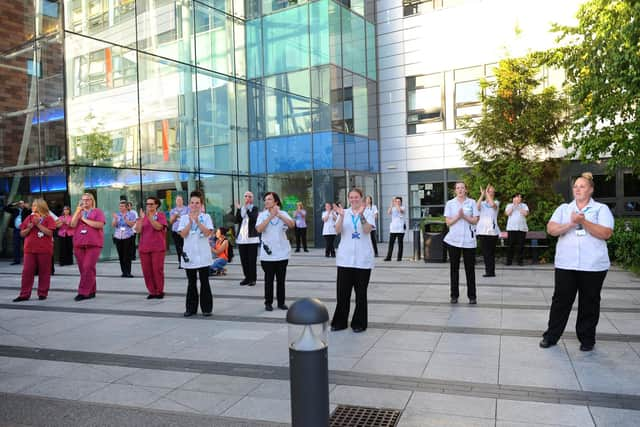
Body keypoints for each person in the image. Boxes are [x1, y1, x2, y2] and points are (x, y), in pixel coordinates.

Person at [540, 172, 614, 352]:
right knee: (560, 301)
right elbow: (552, 229)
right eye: (575, 187)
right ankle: (551, 336)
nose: (578, 189)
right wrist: (572, 223)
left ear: (590, 190)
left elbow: (606, 233)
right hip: (566, 264)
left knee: (589, 302)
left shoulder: (601, 209)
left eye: (582, 186)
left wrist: (584, 221)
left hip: (593, 265)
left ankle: (587, 339)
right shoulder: (564, 209)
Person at [330, 188, 376, 333]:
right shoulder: (344, 212)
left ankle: (359, 322)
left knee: (361, 293)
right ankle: (340, 322)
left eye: (356, 197)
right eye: (351, 197)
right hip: (345, 259)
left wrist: (362, 216)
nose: (354, 200)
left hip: (363, 260)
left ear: (361, 198)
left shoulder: (368, 212)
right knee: (342, 293)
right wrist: (341, 216)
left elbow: (368, 230)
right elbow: (337, 230)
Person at [256, 192, 294, 311]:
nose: (266, 201)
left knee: (281, 280)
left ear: (276, 202)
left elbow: (292, 224)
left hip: (282, 253)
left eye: (269, 199)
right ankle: (268, 302)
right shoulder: (262, 215)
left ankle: (281, 302)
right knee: (269, 280)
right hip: (268, 255)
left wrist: (279, 215)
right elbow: (259, 229)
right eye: (265, 199)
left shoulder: (283, 213)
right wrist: (270, 216)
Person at [12, 199, 57, 302]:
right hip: (29, 249)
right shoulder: (29, 217)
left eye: (35, 205)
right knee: (27, 272)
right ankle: (24, 294)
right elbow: (22, 234)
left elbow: (50, 233)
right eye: (32, 205)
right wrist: (29, 228)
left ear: (41, 206)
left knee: (44, 272)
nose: (33, 207)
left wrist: (38, 225)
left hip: (44, 250)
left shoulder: (49, 218)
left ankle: (42, 293)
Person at [178, 191, 214, 316]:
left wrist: (198, 222)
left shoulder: (206, 217)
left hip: (203, 255)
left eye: (197, 203)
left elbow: (208, 233)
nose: (194, 205)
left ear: (201, 204)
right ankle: (191, 309)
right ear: (189, 204)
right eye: (192, 203)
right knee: (191, 282)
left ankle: (207, 309)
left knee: (205, 282)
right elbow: (183, 234)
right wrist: (190, 222)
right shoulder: (183, 218)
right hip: (190, 255)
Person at [444, 182, 479, 304]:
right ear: (455, 190)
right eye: (458, 188)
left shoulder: (472, 202)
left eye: (462, 188)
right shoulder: (450, 203)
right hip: (453, 240)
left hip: (469, 241)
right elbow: (448, 222)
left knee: (470, 269)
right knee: (454, 269)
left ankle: (472, 296)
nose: (460, 190)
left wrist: (464, 217)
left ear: (466, 190)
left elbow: (475, 220)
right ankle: (454, 295)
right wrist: (458, 217)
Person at [70, 193, 105, 301]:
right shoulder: (79, 212)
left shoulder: (97, 211)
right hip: (79, 243)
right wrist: (77, 211)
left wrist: (84, 220)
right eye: (83, 200)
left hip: (93, 243)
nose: (85, 202)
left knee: (87, 267)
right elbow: (72, 224)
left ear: (92, 201)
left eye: (87, 200)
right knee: (84, 269)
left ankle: (83, 292)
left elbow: (100, 225)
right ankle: (91, 291)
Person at [136, 197, 168, 299]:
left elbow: (159, 227)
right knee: (147, 271)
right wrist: (141, 219)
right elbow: (138, 230)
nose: (148, 206)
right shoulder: (142, 217)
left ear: (156, 205)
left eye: (151, 204)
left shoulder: (160, 215)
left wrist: (149, 217)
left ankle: (159, 291)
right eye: (147, 204)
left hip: (157, 247)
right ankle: (152, 291)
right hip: (144, 247)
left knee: (157, 270)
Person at [235, 191, 260, 286]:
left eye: (249, 196)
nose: (247, 198)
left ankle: (253, 279)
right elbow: (237, 220)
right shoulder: (241, 208)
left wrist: (248, 209)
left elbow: (253, 219)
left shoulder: (254, 208)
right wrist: (238, 209)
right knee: (244, 260)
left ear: (252, 198)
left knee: (251, 260)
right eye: (246, 196)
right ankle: (247, 277)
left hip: (252, 239)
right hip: (242, 239)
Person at [476, 185, 500, 277]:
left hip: (492, 231)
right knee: (486, 253)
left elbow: (492, 205)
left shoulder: (496, 202)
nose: (491, 193)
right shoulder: (482, 203)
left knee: (491, 253)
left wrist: (486, 194)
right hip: (482, 231)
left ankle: (491, 271)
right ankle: (489, 271)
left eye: (492, 191)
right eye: (489, 191)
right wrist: (482, 195)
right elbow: (476, 207)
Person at [112, 200, 137, 278]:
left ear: (126, 207)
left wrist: (126, 219)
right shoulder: (117, 215)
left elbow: (132, 225)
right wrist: (116, 219)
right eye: (120, 206)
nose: (120, 208)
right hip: (118, 236)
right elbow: (113, 225)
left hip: (128, 236)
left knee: (127, 255)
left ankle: (128, 272)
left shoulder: (131, 214)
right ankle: (123, 272)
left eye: (122, 206)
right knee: (121, 255)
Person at [505, 193, 529, 266]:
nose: (519, 198)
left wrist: (518, 206)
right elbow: (507, 213)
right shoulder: (509, 205)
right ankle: (509, 261)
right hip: (511, 228)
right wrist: (514, 205)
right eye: (518, 197)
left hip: (522, 228)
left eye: (520, 197)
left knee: (521, 246)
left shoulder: (524, 205)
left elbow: (525, 214)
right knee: (510, 245)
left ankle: (520, 261)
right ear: (513, 198)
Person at [4, 200, 28, 265]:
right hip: (16, 230)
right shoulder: (15, 210)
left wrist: (26, 207)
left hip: (24, 230)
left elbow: (32, 211)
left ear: (24, 204)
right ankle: (16, 261)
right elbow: (5, 208)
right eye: (20, 203)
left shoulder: (27, 210)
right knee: (16, 245)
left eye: (22, 203)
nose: (21, 204)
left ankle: (27, 260)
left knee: (26, 246)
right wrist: (14, 204)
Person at [169, 195, 189, 268]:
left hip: (184, 231)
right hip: (175, 231)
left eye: (180, 200)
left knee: (185, 247)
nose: (179, 202)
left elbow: (188, 218)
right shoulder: (173, 210)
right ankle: (180, 262)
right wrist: (175, 216)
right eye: (177, 200)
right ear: (176, 201)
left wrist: (179, 217)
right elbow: (171, 221)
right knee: (178, 247)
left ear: (182, 201)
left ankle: (186, 261)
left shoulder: (187, 209)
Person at [384, 197, 405, 261]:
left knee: (400, 244)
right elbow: (388, 212)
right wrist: (391, 204)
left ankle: (399, 258)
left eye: (399, 201)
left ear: (401, 202)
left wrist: (396, 204)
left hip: (400, 229)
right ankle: (388, 257)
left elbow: (400, 211)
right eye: (396, 201)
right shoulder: (393, 208)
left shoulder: (403, 207)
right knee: (391, 244)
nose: (397, 202)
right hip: (393, 228)